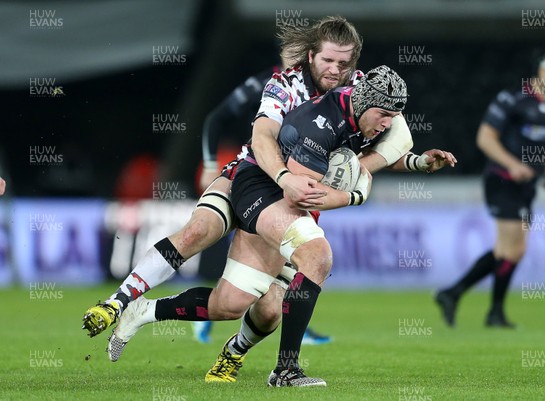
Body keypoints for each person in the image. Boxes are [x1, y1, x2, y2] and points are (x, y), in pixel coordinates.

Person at [107, 65, 456, 388]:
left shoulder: (361, 110)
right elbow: (309, 194)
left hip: (285, 197)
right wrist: (357, 194)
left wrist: (418, 162)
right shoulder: (319, 119)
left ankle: (146, 311)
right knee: (317, 257)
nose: (386, 123)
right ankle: (286, 370)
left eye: (392, 117)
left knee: (239, 306)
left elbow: (372, 152)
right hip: (263, 188)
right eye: (383, 115)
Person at [81, 16, 364, 338]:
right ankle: (117, 302)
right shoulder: (279, 83)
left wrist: (413, 162)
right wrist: (213, 164)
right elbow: (245, 130)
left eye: (342, 62)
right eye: (327, 59)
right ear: (311, 55)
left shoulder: (360, 91)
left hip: (290, 202)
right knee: (196, 231)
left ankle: (230, 352)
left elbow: (388, 131)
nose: (334, 69)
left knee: (249, 306)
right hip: (253, 175)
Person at [193, 62, 332, 346]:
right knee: (249, 248)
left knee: (286, 252)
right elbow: (216, 118)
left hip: (287, 176)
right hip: (254, 169)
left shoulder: (326, 88)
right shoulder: (267, 82)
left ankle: (287, 316)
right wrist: (209, 163)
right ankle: (215, 308)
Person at [435, 45, 545, 328]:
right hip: (502, 181)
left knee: (511, 251)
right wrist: (512, 164)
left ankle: (459, 296)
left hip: (527, 185)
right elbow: (485, 138)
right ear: (538, 72)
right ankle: (484, 308)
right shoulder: (512, 100)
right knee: (510, 248)